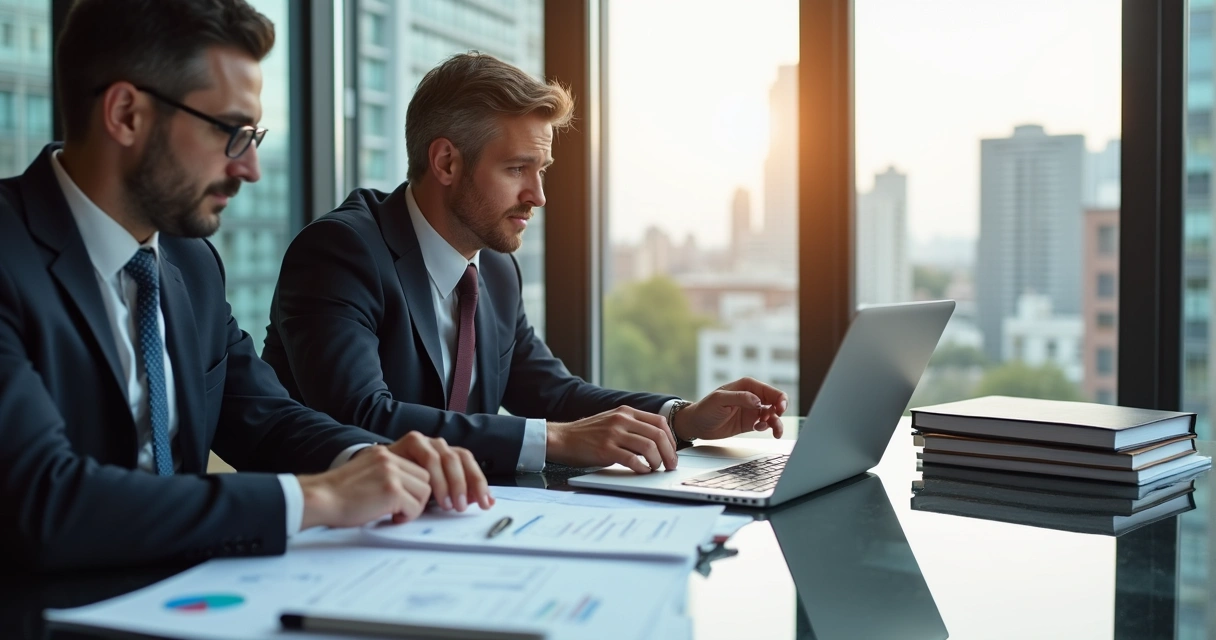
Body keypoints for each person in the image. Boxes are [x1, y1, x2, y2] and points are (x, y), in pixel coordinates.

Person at [0, 0, 490, 573]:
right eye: (231, 132)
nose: (251, 168)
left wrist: (373, 458)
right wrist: (319, 498)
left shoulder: (189, 262)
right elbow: (43, 499)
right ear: (127, 114)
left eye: (254, 135)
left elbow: (262, 416)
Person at [262, 53, 789, 477]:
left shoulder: (491, 269)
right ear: (446, 162)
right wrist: (554, 439)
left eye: (542, 170)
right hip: (331, 536)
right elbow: (360, 416)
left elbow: (552, 392)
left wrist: (682, 417)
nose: (537, 196)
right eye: (517, 168)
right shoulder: (340, 251)